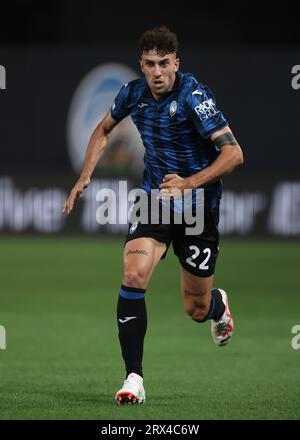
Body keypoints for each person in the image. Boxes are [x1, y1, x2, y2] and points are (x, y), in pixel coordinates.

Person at [63, 26, 244, 405]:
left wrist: (190, 183)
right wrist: (85, 175)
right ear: (141, 66)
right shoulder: (133, 94)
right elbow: (103, 128)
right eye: (149, 64)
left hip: (197, 207)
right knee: (133, 272)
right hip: (155, 200)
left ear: (176, 63)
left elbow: (233, 154)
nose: (157, 72)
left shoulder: (194, 96)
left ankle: (217, 308)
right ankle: (134, 377)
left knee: (195, 308)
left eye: (164, 63)